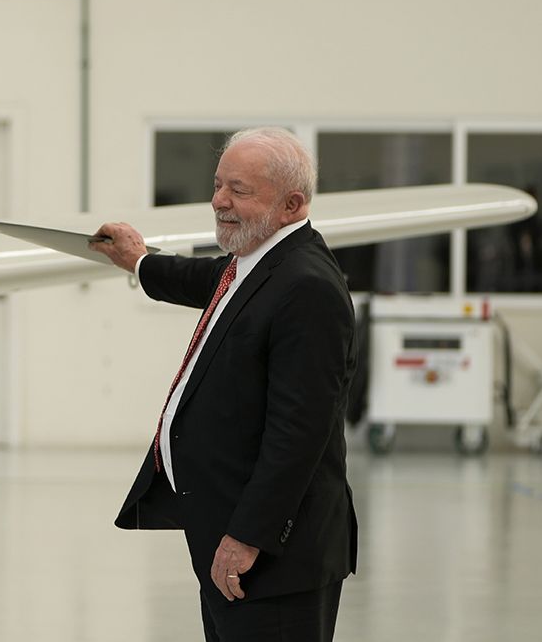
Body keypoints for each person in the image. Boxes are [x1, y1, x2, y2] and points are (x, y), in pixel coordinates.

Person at [91, 127, 356, 642]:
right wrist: (139, 260)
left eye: (239, 190)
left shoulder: (307, 288)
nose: (218, 201)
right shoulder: (256, 264)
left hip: (273, 558)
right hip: (230, 541)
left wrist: (248, 537)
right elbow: (203, 280)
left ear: (291, 203)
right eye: (217, 184)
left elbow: (298, 434)